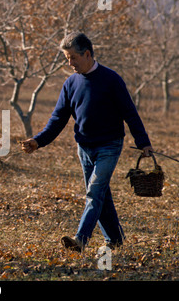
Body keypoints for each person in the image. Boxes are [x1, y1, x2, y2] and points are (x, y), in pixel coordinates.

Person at [20, 32, 154, 252]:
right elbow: (57, 118)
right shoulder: (71, 83)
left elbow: (130, 113)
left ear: (87, 53)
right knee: (100, 193)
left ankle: (80, 240)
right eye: (67, 59)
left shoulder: (111, 80)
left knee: (94, 191)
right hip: (84, 147)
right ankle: (116, 239)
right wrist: (38, 141)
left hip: (109, 146)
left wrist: (143, 142)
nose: (70, 63)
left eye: (73, 57)